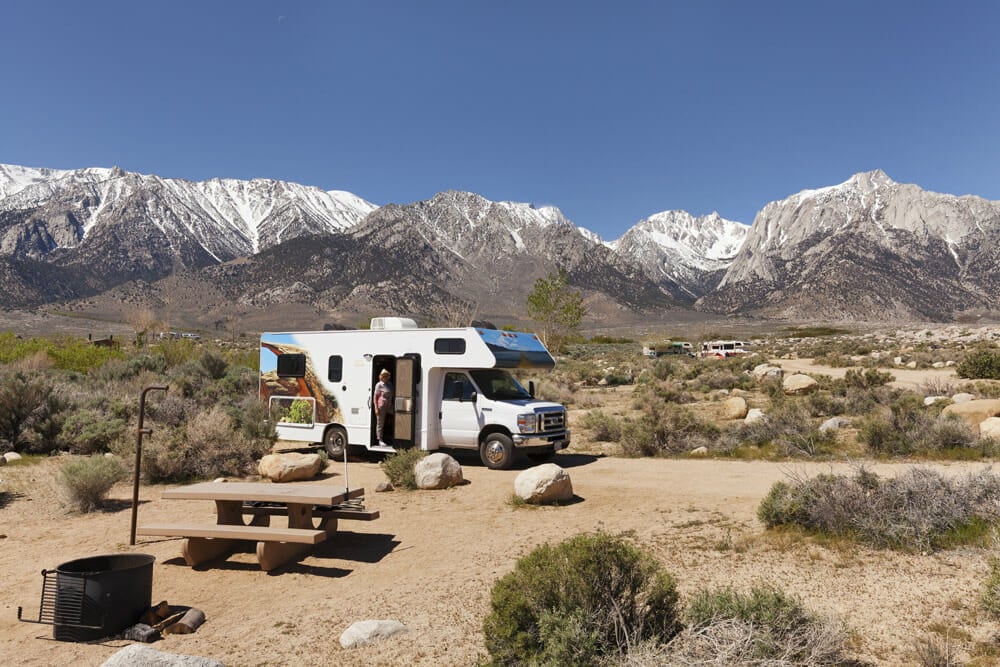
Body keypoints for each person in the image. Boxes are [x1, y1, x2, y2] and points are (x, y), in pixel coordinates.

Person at [373, 369, 394, 446]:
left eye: (387, 376)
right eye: (384, 376)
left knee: (393, 419)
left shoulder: (390, 384)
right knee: (380, 423)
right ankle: (380, 439)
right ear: (381, 377)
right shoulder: (379, 385)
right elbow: (375, 397)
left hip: (389, 405)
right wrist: (376, 408)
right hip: (381, 406)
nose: (385, 377)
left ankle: (390, 436)